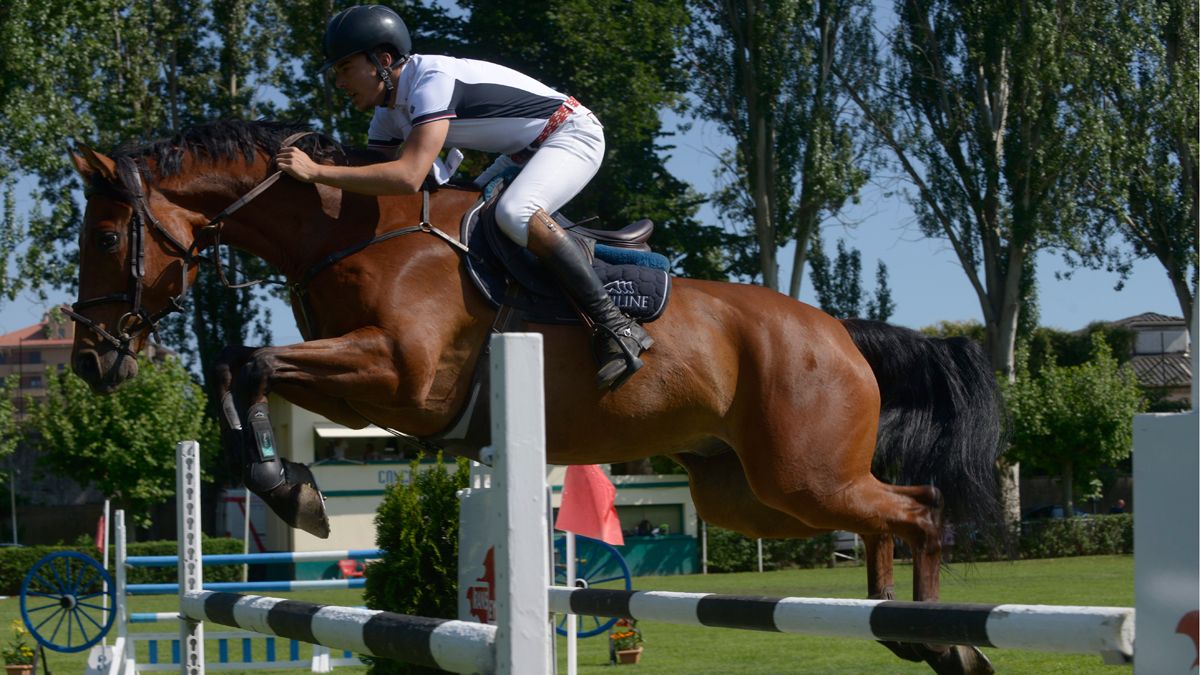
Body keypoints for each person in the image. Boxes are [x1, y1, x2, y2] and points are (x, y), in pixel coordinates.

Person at [276, 4, 653, 391]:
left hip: (571, 134)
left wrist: (316, 172)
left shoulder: (431, 80)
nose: (339, 82)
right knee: (459, 217)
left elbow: (407, 177)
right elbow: (381, 185)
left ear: (383, 61)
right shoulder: (388, 115)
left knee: (514, 213)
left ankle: (616, 327)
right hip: (522, 154)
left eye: (344, 68)